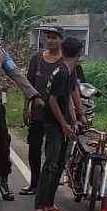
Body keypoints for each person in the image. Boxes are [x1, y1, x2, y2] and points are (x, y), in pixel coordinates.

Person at [0, 13, 44, 201]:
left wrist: (33, 94)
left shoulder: (0, 53)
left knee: (2, 145)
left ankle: (2, 179)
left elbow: (17, 74)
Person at [29, 37, 83, 211]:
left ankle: (49, 203)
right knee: (51, 163)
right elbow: (52, 100)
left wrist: (74, 119)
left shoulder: (67, 71)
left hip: (64, 123)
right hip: (53, 124)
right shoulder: (61, 73)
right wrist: (64, 124)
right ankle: (38, 207)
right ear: (79, 54)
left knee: (60, 163)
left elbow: (67, 98)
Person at [20, 26, 64, 196]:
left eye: (54, 37)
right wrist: (26, 108)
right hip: (37, 114)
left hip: (56, 116)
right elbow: (28, 85)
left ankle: (48, 187)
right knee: (34, 149)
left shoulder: (65, 62)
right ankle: (34, 183)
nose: (50, 41)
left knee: (52, 152)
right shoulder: (37, 59)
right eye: (48, 37)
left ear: (61, 40)